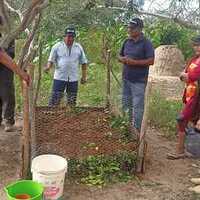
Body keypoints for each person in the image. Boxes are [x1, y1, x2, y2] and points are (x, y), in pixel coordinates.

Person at [118, 18, 154, 137]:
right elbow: (119, 55)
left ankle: (136, 132)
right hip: (126, 78)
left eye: (132, 28)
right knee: (125, 104)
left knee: (138, 107)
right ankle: (126, 128)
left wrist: (134, 62)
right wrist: (123, 59)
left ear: (140, 29)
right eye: (128, 27)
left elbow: (151, 60)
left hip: (139, 81)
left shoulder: (146, 43)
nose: (129, 30)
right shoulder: (126, 41)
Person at [167, 36, 200, 159]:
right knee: (192, 121)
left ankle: (180, 150)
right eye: (195, 45)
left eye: (198, 45)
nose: (196, 47)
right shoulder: (194, 59)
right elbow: (185, 75)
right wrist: (186, 75)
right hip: (190, 95)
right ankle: (189, 149)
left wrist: (186, 76)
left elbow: (191, 76)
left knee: (182, 119)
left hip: (197, 97)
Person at [45, 26, 88, 106]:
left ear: (74, 37)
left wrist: (84, 77)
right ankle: (52, 116)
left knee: (71, 102)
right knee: (54, 101)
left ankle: (69, 118)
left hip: (73, 79)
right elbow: (51, 60)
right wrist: (48, 67)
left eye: (71, 37)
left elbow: (84, 62)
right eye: (67, 36)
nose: (69, 39)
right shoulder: (57, 46)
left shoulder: (78, 47)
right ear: (64, 36)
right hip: (59, 78)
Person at [0, 47, 30, 131]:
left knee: (6, 94)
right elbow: (2, 56)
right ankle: (8, 121)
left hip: (5, 68)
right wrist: (21, 73)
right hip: (4, 67)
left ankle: (8, 121)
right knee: (7, 94)